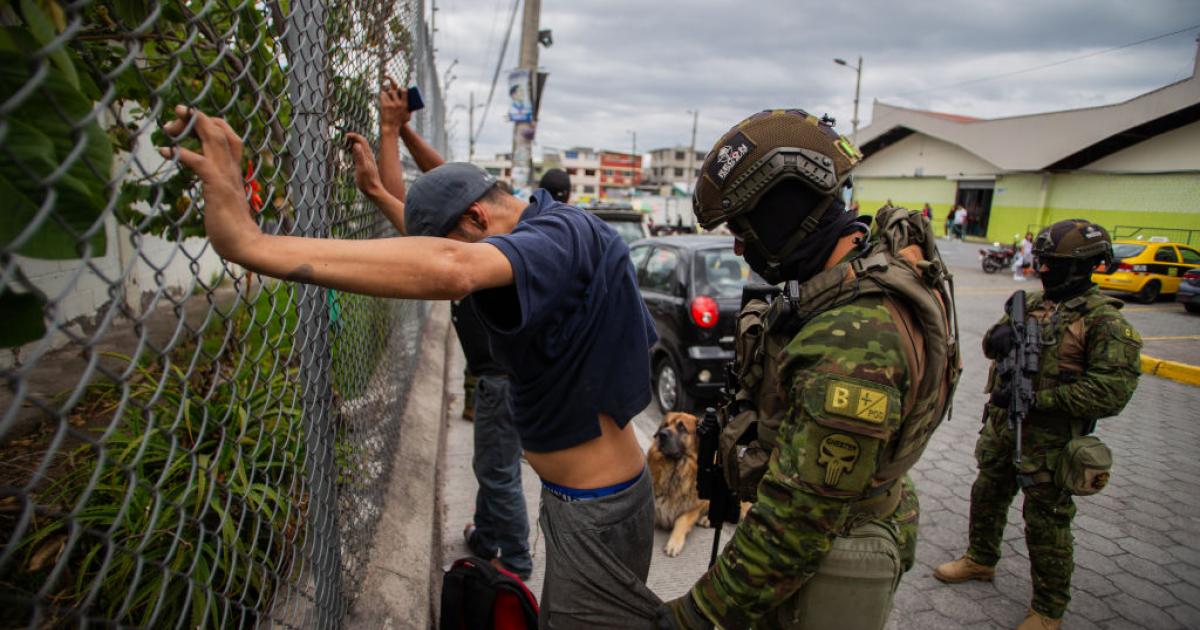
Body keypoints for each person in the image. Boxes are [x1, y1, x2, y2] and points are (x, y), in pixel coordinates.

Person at [158, 104, 661, 626]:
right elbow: (446, 244)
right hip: (584, 501)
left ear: (476, 218)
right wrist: (377, 190)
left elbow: (453, 264)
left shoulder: (558, 238)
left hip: (596, 510)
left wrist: (251, 243)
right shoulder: (540, 232)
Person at [658, 109, 960, 629]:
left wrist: (689, 616)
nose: (738, 245)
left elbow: (792, 528)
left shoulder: (853, 342)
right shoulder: (860, 270)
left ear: (782, 214)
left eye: (743, 228)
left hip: (824, 565)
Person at [346, 79, 533, 578]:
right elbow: (446, 189)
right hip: (508, 374)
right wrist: (402, 132)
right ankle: (490, 535)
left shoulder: (479, 252)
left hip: (501, 380)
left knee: (497, 473)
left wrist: (389, 135)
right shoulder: (511, 227)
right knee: (492, 467)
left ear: (472, 217)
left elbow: (418, 222)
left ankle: (513, 563)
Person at [934, 219, 1142, 630]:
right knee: (988, 494)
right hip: (1002, 427)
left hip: (1051, 442)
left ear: (1085, 266)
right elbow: (990, 345)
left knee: (1047, 522)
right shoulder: (1029, 304)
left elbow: (1111, 392)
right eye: (1043, 261)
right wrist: (999, 340)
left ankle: (1048, 608)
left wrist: (1041, 400)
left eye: (1054, 264)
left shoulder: (1107, 323)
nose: (1044, 270)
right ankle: (980, 559)